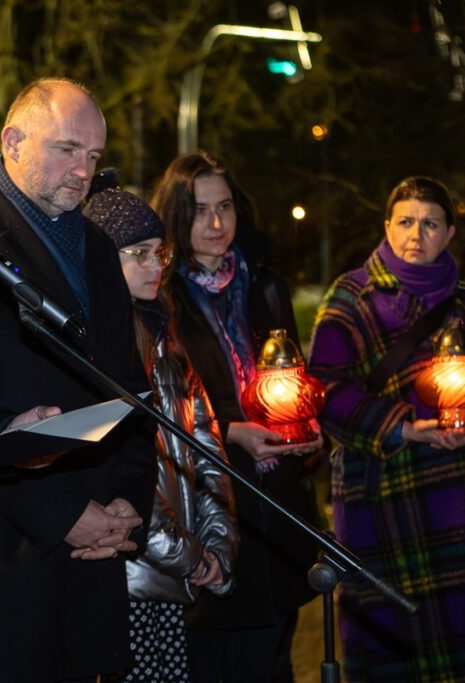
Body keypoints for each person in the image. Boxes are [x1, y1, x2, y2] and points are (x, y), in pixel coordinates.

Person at [0, 78, 157, 683]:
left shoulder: (100, 249)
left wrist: (130, 505)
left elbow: (130, 391)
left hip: (95, 545)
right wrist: (65, 512)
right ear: (12, 140)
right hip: (2, 553)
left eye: (94, 156)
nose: (83, 171)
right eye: (68, 149)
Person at [307, 176, 465, 682]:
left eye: (430, 223)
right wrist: (403, 428)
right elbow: (325, 389)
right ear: (387, 226)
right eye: (405, 221)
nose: (416, 233)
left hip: (462, 504)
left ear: (450, 233)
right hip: (384, 504)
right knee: (393, 654)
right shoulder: (353, 297)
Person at [150, 150, 320, 683]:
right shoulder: (159, 294)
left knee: (274, 659)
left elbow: (294, 378)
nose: (218, 224)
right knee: (216, 658)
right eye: (201, 211)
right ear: (176, 216)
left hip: (277, 503)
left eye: (225, 207)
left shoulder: (265, 286)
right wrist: (229, 433)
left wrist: (309, 427)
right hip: (211, 504)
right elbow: (163, 407)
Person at [83, 171, 239, 683]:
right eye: (139, 254)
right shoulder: (101, 346)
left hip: (168, 577)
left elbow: (203, 440)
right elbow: (128, 472)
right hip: (126, 575)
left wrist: (219, 541)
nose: (156, 267)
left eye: (160, 253)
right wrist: (188, 557)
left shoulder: (163, 337)